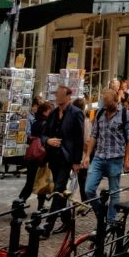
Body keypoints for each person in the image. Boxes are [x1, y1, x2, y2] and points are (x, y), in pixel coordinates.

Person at [82, 89, 129, 224]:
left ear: (115, 100)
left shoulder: (125, 114)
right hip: (99, 157)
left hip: (115, 158)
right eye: (103, 103)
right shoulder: (100, 113)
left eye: (107, 103)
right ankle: (101, 214)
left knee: (114, 192)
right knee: (88, 190)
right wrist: (87, 155)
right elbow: (94, 135)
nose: (104, 106)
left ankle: (110, 222)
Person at [42, 86, 84, 232]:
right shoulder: (53, 113)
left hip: (67, 158)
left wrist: (77, 161)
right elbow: (44, 134)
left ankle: (48, 225)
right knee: (60, 191)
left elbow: (79, 139)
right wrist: (48, 141)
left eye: (60, 95)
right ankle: (67, 221)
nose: (57, 97)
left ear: (68, 97)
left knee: (58, 189)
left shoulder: (76, 113)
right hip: (54, 158)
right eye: (56, 94)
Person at [19, 101, 52, 206]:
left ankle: (20, 202)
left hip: (32, 155)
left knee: (30, 182)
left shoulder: (35, 122)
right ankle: (39, 207)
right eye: (49, 110)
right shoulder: (46, 123)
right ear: (45, 111)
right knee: (41, 181)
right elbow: (45, 140)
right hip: (40, 156)